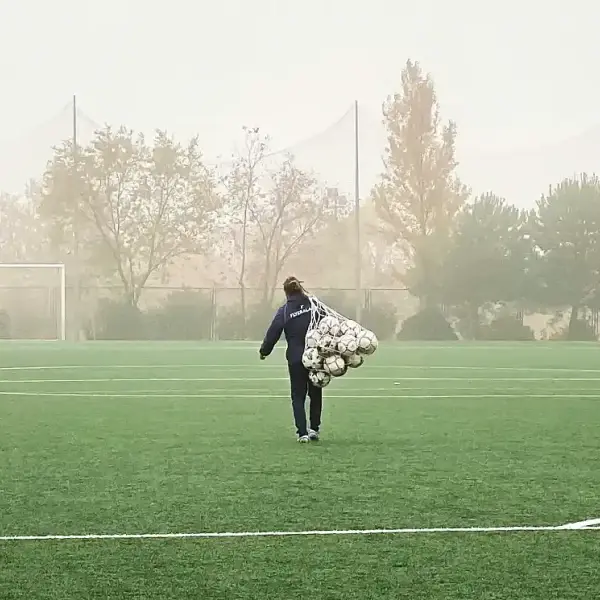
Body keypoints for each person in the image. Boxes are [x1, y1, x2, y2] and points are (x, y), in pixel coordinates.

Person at [259, 276, 323, 443]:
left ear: (286, 292)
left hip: (296, 358)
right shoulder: (314, 305)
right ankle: (314, 429)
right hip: (316, 356)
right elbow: (328, 323)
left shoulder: (285, 311)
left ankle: (302, 433)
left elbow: (273, 332)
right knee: (315, 392)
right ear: (300, 288)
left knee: (298, 395)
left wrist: (264, 351)